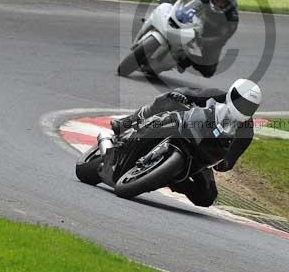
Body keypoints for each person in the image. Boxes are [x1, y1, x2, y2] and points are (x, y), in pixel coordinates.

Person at [110, 79, 262, 207]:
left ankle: (170, 178)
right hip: (185, 127)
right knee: (166, 100)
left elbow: (234, 154)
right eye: (240, 101)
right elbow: (191, 93)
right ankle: (127, 122)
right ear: (232, 94)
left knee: (208, 197)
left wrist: (225, 163)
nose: (243, 107)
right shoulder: (216, 96)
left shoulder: (246, 129)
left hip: (202, 153)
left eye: (249, 106)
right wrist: (179, 95)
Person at [157, 0, 239, 78]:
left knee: (209, 71)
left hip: (211, 39)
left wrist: (204, 41)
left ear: (229, 2)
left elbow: (222, 38)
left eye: (223, 2)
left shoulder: (232, 17)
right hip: (195, 26)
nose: (219, 3)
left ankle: (185, 60)